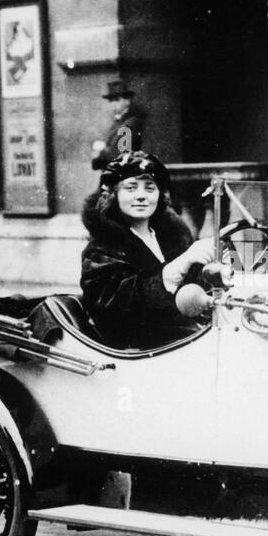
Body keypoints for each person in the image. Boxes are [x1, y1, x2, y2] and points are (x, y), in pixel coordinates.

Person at [80, 151, 213, 350]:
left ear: (160, 195)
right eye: (131, 188)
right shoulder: (101, 249)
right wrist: (175, 270)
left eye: (150, 188)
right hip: (142, 353)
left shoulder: (172, 238)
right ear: (113, 195)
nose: (141, 196)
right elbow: (115, 310)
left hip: (190, 341)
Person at [90, 79, 147, 172]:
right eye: (111, 100)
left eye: (117, 99)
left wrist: (102, 150)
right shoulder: (117, 122)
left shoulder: (131, 123)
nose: (113, 104)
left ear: (127, 101)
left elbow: (121, 156)